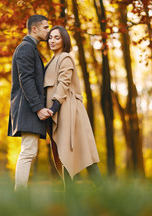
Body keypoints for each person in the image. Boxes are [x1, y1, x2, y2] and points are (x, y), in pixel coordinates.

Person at [44, 25, 101, 188]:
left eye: (57, 37)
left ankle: (104, 191)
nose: (52, 40)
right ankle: (70, 197)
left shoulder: (65, 57)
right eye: (50, 37)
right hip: (59, 112)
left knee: (83, 153)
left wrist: (54, 108)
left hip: (68, 110)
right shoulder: (52, 60)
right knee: (65, 154)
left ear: (64, 40)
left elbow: (64, 83)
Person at [8, 15, 53, 190]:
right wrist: (38, 108)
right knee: (28, 152)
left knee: (29, 151)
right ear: (34, 29)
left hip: (28, 107)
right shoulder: (26, 48)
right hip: (28, 108)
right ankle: (20, 196)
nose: (48, 31)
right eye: (45, 27)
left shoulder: (30, 48)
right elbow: (26, 80)